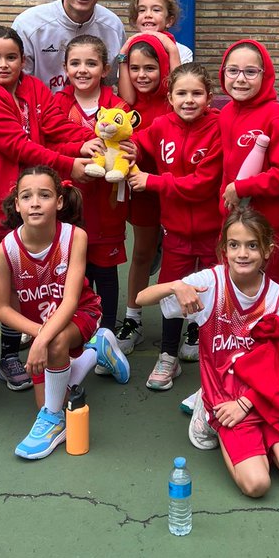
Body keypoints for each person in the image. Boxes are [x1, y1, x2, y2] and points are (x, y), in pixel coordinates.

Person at [137, 207, 279, 499]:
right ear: (224, 249)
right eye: (234, 245)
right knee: (257, 486)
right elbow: (140, 298)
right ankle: (211, 415)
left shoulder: (275, 298)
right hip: (227, 397)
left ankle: (262, 441)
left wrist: (247, 405)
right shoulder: (210, 284)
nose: (242, 254)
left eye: (252, 245)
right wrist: (176, 285)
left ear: (268, 250)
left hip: (268, 397)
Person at [0, 25, 101, 392]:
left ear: (24, 60)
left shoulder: (35, 88)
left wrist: (90, 141)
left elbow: (56, 126)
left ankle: (16, 352)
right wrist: (68, 164)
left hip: (31, 200)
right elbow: (17, 146)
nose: (4, 64)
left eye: (11, 57)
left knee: (26, 282)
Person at [0, 167, 131, 460]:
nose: (35, 203)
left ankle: (54, 422)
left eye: (44, 195)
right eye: (26, 196)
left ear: (58, 201)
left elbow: (70, 301)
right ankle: (96, 352)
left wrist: (41, 342)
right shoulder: (7, 248)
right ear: (17, 204)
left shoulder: (74, 237)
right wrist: (37, 335)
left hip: (80, 312)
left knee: (55, 354)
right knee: (51, 395)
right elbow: (1, 307)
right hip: (42, 325)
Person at [127, 62, 223, 388]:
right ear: (170, 96)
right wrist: (121, 148)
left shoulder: (219, 128)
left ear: (209, 97)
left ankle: (213, 358)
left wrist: (150, 181)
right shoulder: (161, 125)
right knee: (171, 294)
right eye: (181, 93)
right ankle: (168, 357)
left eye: (197, 93)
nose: (189, 100)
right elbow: (139, 142)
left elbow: (202, 184)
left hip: (214, 232)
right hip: (176, 231)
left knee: (212, 293)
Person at [54, 34, 131, 330]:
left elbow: (129, 148)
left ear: (105, 68)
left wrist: (131, 154)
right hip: (69, 204)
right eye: (75, 63)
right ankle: (74, 326)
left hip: (107, 205)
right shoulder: (56, 104)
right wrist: (73, 156)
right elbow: (48, 144)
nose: (82, 69)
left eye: (91, 63)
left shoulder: (119, 107)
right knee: (72, 270)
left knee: (106, 271)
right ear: (65, 68)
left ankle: (108, 331)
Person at [218, 39, 279, 291]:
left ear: (265, 75)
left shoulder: (276, 116)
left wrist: (243, 187)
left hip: (265, 228)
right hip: (234, 223)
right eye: (232, 71)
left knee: (266, 295)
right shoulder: (225, 114)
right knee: (233, 292)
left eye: (250, 72)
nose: (240, 79)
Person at [113, 33, 171, 353]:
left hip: (177, 191)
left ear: (163, 68)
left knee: (183, 258)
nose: (141, 75)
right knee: (142, 253)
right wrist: (123, 55)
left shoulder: (176, 98)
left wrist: (171, 48)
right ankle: (132, 318)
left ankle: (188, 322)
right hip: (144, 191)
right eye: (134, 68)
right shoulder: (128, 106)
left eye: (150, 67)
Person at [12, 0, 126, 92]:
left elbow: (114, 81)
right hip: (41, 111)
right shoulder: (28, 25)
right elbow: (16, 85)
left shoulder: (113, 26)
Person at [124, 0, 193, 66]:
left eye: (156, 10)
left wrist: (172, 49)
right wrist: (123, 53)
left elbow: (180, 79)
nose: (148, 15)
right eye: (142, 10)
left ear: (169, 21)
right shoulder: (128, 47)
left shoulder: (183, 52)